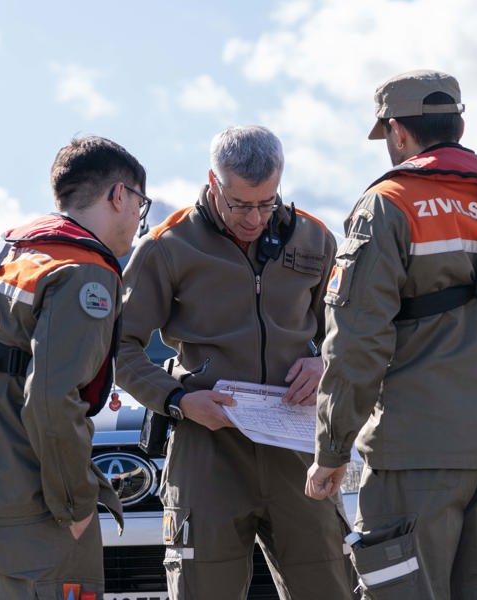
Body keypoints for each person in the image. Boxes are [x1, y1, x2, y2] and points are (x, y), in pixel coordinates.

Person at [305, 69, 477, 600]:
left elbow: (357, 340)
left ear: (398, 132)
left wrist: (332, 447)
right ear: (458, 125)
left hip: (413, 450)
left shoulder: (389, 204)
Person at [114, 125, 352, 600]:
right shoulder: (167, 245)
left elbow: (349, 334)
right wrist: (178, 400)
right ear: (212, 181)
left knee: (331, 586)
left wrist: (326, 363)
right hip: (208, 448)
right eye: (241, 204)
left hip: (298, 448)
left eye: (266, 203)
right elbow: (119, 347)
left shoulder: (315, 238)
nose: (254, 219)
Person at [0, 135, 151, 600]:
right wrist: (76, 503)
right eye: (140, 202)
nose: (139, 217)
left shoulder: (19, 256)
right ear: (120, 195)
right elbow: (51, 398)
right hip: (37, 513)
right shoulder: (83, 271)